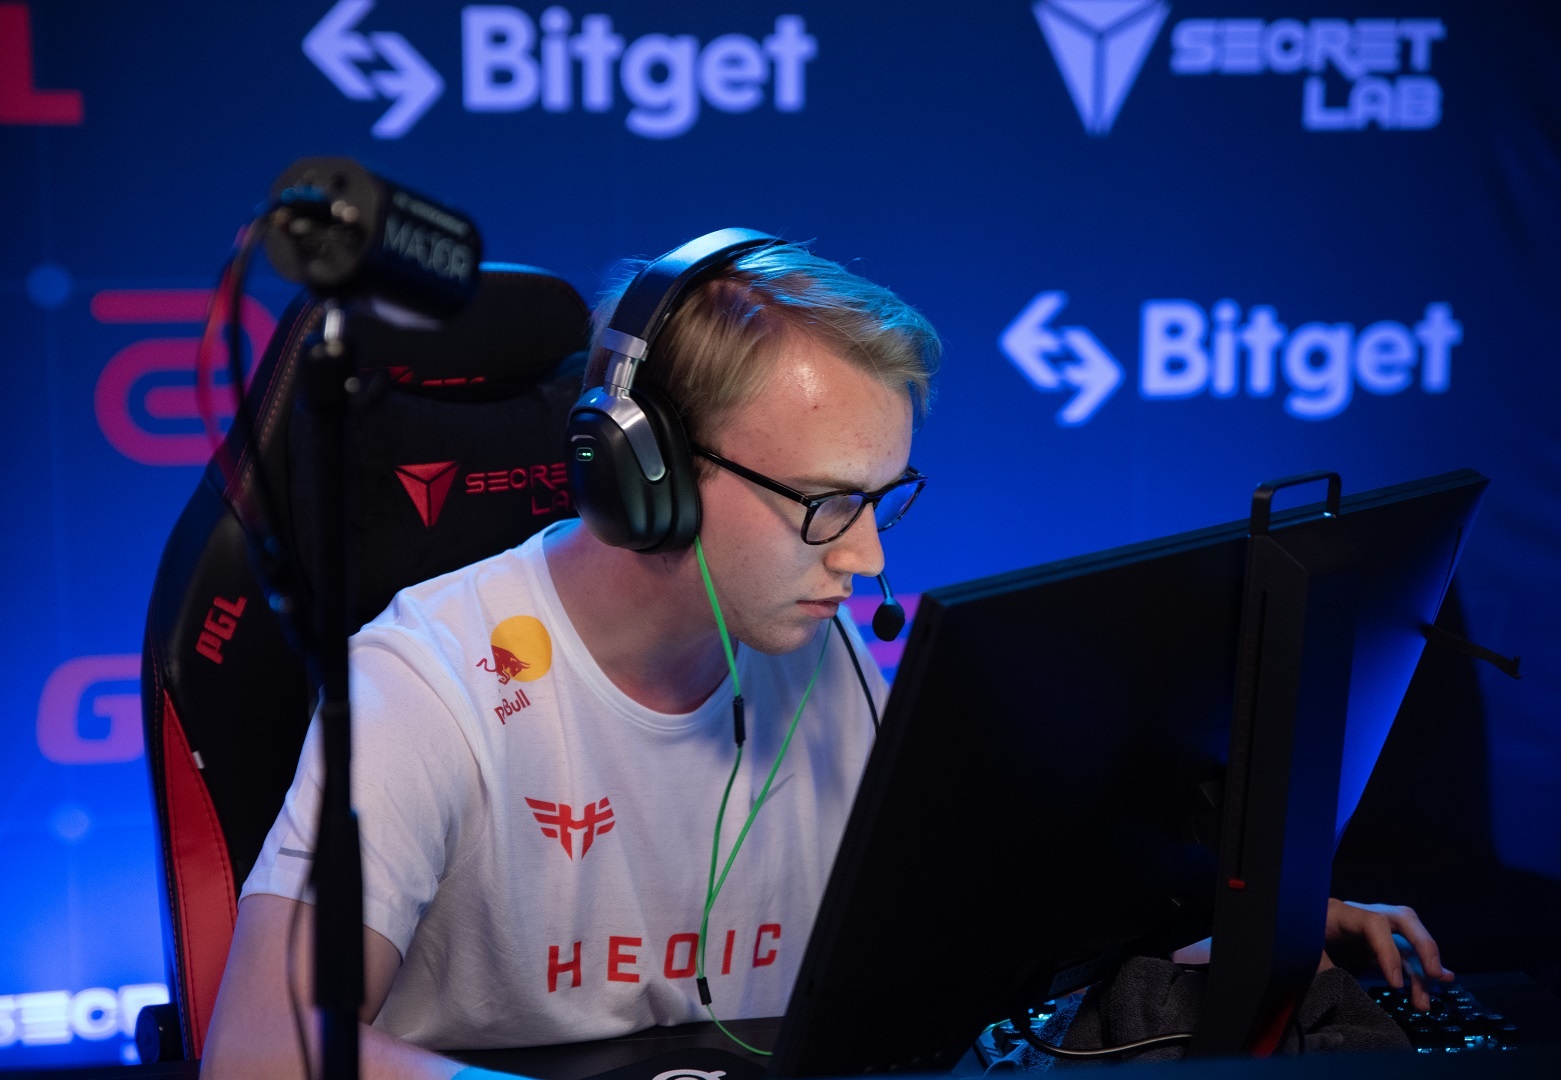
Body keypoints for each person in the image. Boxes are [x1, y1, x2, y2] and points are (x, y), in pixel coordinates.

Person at [199, 235, 1451, 1079]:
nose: (867, 560)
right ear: (646, 474)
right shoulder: (426, 684)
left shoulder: (840, 663)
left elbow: (995, 930)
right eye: (824, 504)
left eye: (880, 499)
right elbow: (258, 1051)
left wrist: (1257, 926)